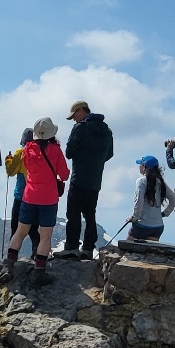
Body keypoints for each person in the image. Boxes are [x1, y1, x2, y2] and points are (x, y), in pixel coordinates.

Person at [0, 116, 67, 284]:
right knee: (45, 236)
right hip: (48, 199)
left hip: (29, 196)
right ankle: (39, 272)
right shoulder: (55, 150)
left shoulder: (27, 149)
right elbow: (65, 174)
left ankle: (8, 266)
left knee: (20, 231)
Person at [58, 100, 112, 259]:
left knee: (73, 213)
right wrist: (96, 162)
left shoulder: (80, 128)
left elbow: (69, 153)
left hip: (79, 178)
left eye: (74, 115)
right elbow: (109, 154)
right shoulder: (107, 130)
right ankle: (88, 248)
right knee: (90, 214)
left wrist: (82, 157)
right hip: (95, 180)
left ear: (81, 111)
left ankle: (72, 247)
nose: (74, 119)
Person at [4, 127, 39, 253]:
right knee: (33, 229)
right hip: (35, 197)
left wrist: (8, 160)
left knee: (15, 228)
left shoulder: (21, 151)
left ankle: (12, 256)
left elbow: (11, 171)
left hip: (21, 195)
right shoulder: (40, 152)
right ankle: (37, 254)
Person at [126, 155, 175, 241]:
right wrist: (165, 213)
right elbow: (174, 199)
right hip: (158, 227)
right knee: (150, 249)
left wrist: (135, 217)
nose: (139, 167)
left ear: (144, 167)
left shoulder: (141, 181)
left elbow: (139, 200)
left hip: (142, 225)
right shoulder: (161, 183)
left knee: (127, 247)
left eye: (141, 165)